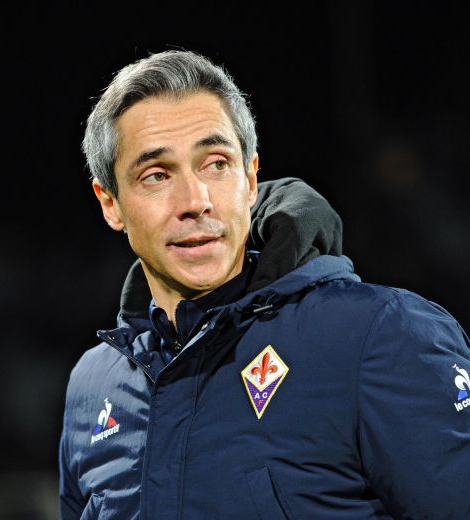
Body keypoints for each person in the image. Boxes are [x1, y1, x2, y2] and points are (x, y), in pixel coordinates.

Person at [59, 50, 470, 519]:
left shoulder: (380, 335)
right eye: (156, 175)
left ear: (251, 179)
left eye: (216, 164)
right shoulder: (93, 387)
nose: (195, 200)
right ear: (110, 203)